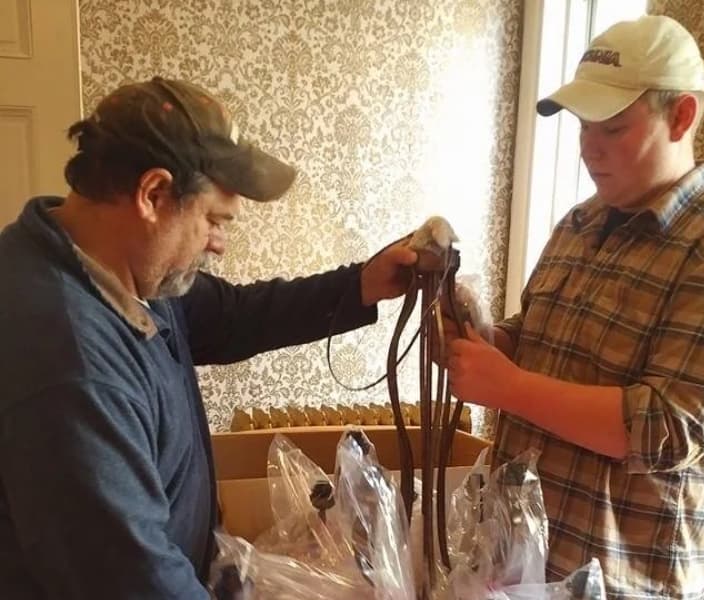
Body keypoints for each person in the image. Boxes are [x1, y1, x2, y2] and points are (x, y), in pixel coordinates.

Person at [0, 76, 417, 598]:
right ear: (152, 193)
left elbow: (233, 315)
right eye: (214, 220)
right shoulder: (69, 361)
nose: (219, 244)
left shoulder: (121, 268)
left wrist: (362, 285)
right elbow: (132, 580)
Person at [445, 15, 704, 599]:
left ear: (682, 115)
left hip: (622, 584)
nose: (588, 148)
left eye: (612, 127)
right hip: (514, 567)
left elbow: (662, 428)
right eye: (583, 126)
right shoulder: (578, 225)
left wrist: (503, 385)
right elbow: (536, 340)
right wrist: (481, 341)